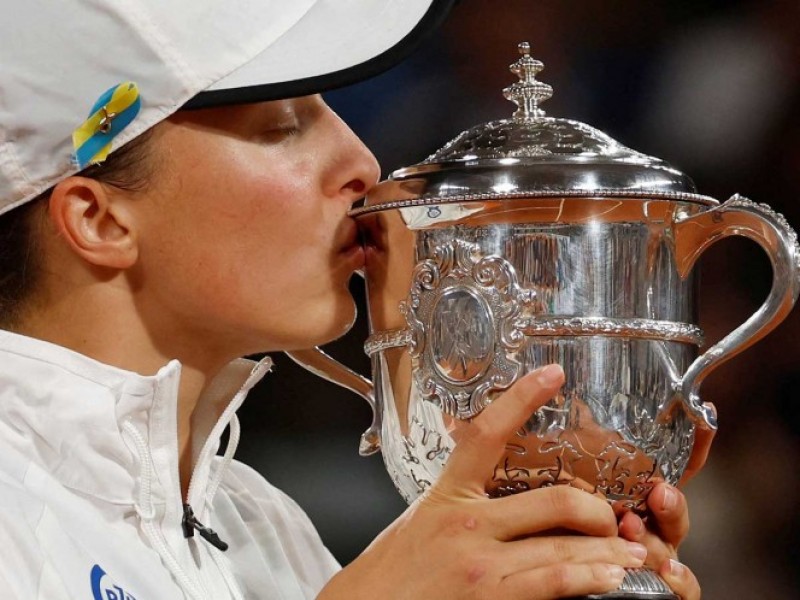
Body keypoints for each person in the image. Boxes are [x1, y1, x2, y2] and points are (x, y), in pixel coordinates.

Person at [0, 1, 712, 598]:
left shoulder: (263, 525)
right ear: (99, 220)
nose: (363, 165)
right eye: (282, 127)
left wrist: (566, 567)